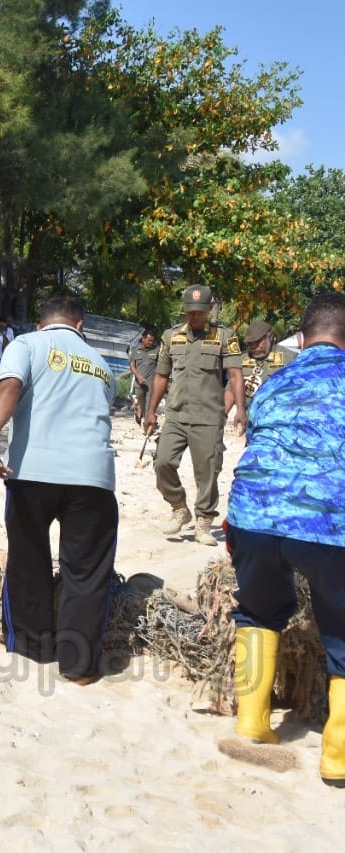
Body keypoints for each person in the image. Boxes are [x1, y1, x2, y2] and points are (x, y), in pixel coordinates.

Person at [224, 292, 345, 786]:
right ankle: (337, 754)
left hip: (253, 515)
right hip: (328, 523)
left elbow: (259, 445)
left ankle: (252, 723)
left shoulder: (273, 381)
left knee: (257, 613)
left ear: (302, 333)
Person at [0, 295, 117, 685]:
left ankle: (31, 648)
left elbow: (10, 385)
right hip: (92, 477)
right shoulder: (103, 366)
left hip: (33, 472)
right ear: (80, 325)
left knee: (28, 556)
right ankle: (79, 667)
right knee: (86, 570)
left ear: (42, 324)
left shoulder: (26, 344)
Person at [143, 285, 245, 547]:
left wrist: (240, 410)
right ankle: (179, 506)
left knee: (208, 473)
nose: (194, 317)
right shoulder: (170, 336)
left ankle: (203, 521)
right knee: (162, 462)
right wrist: (151, 411)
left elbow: (235, 375)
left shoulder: (225, 336)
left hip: (209, 416)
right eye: (190, 312)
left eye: (199, 312)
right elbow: (161, 376)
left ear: (210, 309)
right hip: (176, 414)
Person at [225, 319, 297, 412]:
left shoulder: (290, 359)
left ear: (270, 337)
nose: (254, 348)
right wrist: (223, 415)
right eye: (250, 344)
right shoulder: (241, 360)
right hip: (247, 417)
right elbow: (231, 390)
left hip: (275, 416)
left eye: (258, 342)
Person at [127, 328, 158, 425]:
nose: (151, 343)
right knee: (140, 402)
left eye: (152, 341)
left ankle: (146, 423)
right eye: (149, 340)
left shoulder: (156, 350)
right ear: (143, 338)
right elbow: (132, 366)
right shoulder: (135, 350)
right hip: (138, 382)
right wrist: (138, 376)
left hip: (151, 383)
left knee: (149, 404)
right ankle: (138, 414)